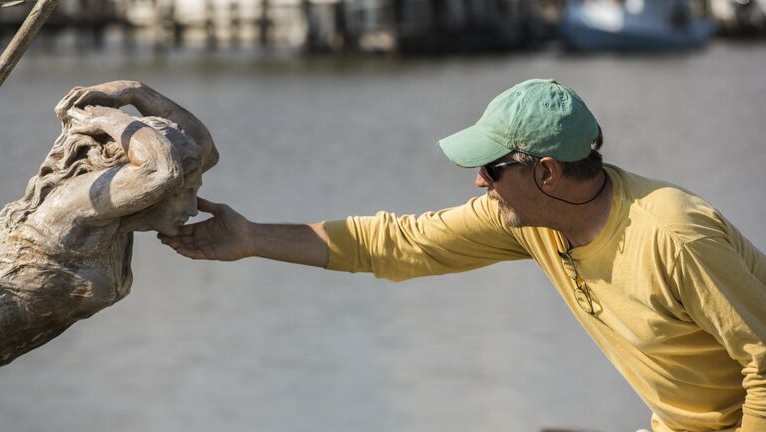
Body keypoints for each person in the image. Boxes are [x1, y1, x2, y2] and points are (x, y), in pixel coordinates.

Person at [139, 78, 760, 431]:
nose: (478, 184)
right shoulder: (528, 221)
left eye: (490, 168)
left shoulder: (673, 235)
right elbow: (397, 242)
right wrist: (250, 240)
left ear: (546, 171)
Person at [0, 80, 219, 366]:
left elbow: (204, 150)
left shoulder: (116, 220)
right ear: (126, 173)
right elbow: (160, 172)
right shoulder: (73, 207)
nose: (192, 209)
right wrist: (104, 117)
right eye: (184, 193)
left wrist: (135, 91)